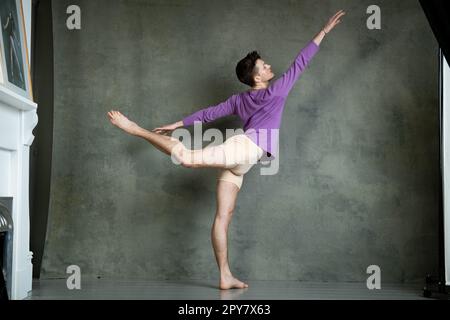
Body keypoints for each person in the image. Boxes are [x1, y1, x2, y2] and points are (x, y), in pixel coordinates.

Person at [108, 10, 345, 290]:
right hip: (244, 147)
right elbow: (301, 62)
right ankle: (136, 129)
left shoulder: (240, 99)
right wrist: (324, 31)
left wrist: (178, 123)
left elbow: (209, 114)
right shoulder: (276, 91)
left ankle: (224, 275)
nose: (269, 67)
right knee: (186, 158)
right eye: (264, 66)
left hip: (242, 161)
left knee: (224, 216)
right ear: (256, 78)